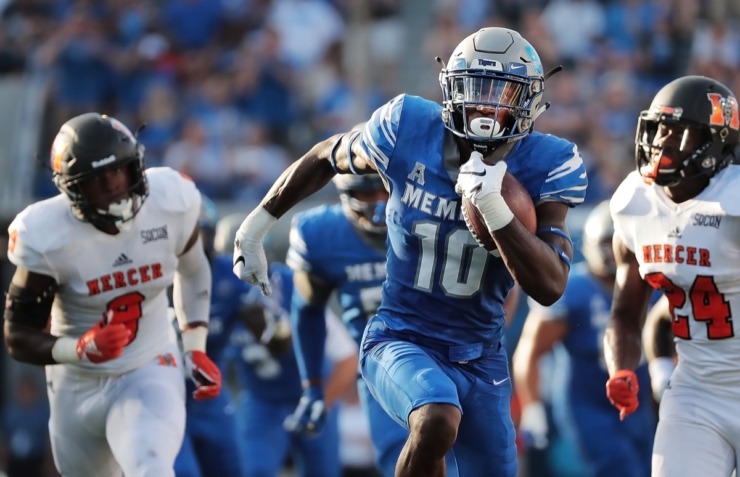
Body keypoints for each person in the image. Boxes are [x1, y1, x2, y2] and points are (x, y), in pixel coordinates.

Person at [233, 26, 588, 476]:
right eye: (476, 88)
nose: (487, 105)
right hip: (401, 336)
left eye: (503, 91)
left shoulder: (548, 162)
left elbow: (550, 285)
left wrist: (495, 212)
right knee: (436, 418)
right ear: (451, 89)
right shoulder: (406, 125)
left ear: (529, 99)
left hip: (481, 355)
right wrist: (256, 226)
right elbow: (327, 155)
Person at [3, 112, 222, 477]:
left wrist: (195, 344)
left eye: (119, 171)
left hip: (148, 363)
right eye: (96, 180)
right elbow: (17, 336)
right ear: (72, 188)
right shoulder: (47, 235)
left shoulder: (170, 199)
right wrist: (78, 348)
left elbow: (194, 268)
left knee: (150, 466)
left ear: (136, 164)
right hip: (76, 382)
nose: (113, 186)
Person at [604, 75, 740, 477]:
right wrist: (622, 369)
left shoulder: (733, 203)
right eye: (659, 127)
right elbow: (626, 313)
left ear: (714, 144)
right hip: (697, 391)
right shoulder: (635, 205)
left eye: (678, 131)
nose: (662, 141)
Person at [513, 201, 656, 477]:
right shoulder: (575, 289)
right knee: (619, 470)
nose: (614, 254)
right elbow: (530, 351)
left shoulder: (652, 284)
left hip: (639, 398)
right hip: (588, 402)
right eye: (607, 244)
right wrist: (532, 406)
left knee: (649, 468)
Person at [282, 172, 406, 477]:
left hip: (446, 352)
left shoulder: (433, 217)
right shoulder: (322, 234)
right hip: (380, 369)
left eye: (385, 190)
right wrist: (312, 386)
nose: (379, 203)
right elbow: (307, 309)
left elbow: (501, 286)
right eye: (367, 193)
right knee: (399, 459)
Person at [230, 260, 359, 477]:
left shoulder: (294, 291)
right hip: (262, 401)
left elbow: (348, 358)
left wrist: (322, 402)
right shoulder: (224, 297)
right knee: (255, 470)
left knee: (322, 472)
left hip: (309, 397)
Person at [173, 196, 245, 477]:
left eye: (198, 234)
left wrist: (267, 320)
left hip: (211, 391)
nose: (191, 245)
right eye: (185, 236)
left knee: (230, 468)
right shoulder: (155, 274)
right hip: (166, 390)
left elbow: (273, 335)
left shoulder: (228, 274)